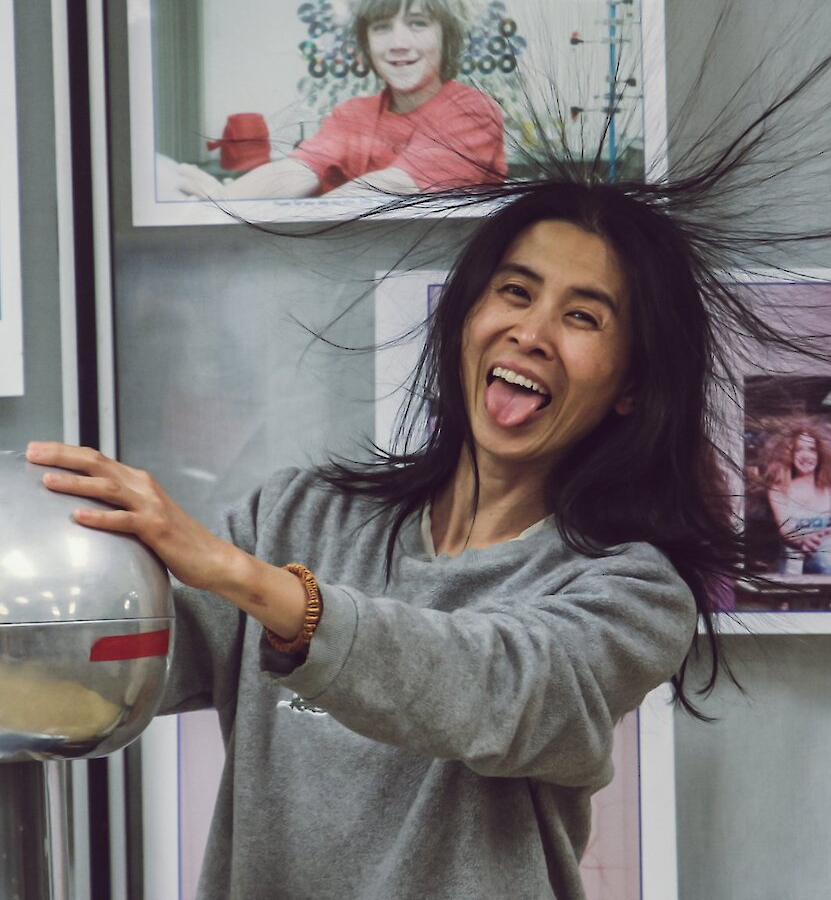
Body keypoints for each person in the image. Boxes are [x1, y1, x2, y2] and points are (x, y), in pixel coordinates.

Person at [24, 177, 760, 899]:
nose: (530, 333)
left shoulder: (633, 593)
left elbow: (500, 689)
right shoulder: (299, 518)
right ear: (467, 313)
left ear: (631, 385)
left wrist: (249, 581)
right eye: (515, 291)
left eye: (584, 317)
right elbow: (119, 662)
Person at [176, 0, 507, 202]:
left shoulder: (472, 112)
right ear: (366, 43)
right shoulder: (353, 115)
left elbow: (396, 187)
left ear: (445, 36)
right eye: (382, 27)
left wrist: (311, 220)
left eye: (417, 23)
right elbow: (295, 172)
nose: (398, 44)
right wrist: (222, 200)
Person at [760, 416, 831, 576]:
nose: (806, 455)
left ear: (821, 454)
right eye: (798, 449)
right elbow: (786, 529)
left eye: (812, 449)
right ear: (789, 455)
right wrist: (803, 541)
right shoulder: (778, 489)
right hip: (793, 573)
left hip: (830, 568)